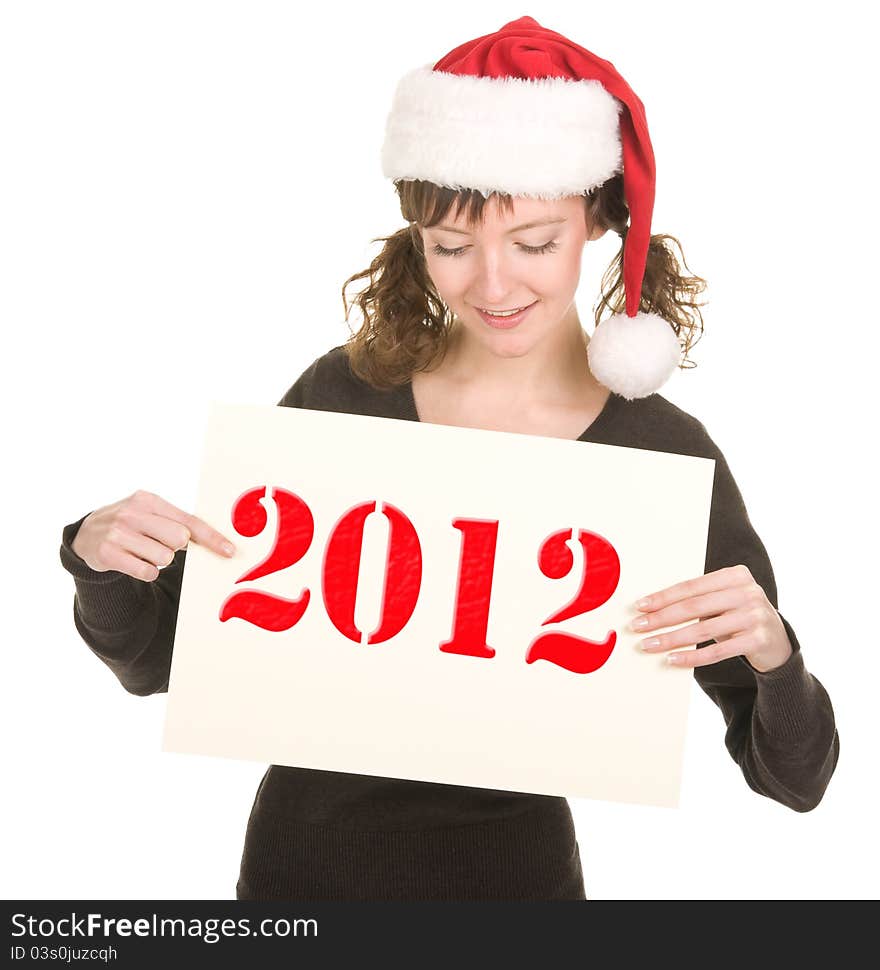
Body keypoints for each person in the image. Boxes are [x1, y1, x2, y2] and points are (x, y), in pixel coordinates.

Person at [59, 16, 839, 901]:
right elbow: (165, 662)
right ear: (417, 241)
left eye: (536, 243)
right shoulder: (343, 395)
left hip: (519, 893)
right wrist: (100, 562)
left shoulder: (660, 453)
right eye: (452, 248)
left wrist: (776, 659)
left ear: (598, 225)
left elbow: (794, 778)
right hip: (299, 884)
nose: (494, 286)